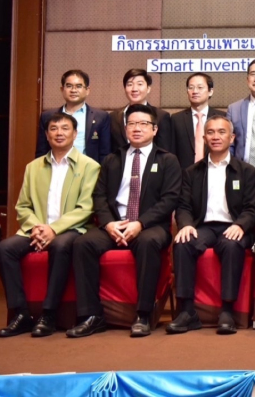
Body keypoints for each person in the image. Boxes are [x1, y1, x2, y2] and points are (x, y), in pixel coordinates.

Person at [67, 104, 182, 338]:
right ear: (125, 128)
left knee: (148, 243)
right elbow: (99, 196)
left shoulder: (167, 160)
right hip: (115, 224)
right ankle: (91, 316)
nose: (137, 128)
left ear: (155, 129)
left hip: (149, 226)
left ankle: (143, 314)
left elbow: (170, 199)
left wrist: (139, 223)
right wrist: (109, 224)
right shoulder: (112, 159)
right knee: (83, 244)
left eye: (143, 124)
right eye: (132, 124)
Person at [0, 113, 100, 337]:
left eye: (65, 128)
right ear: (46, 134)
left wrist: (54, 229)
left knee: (60, 245)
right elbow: (23, 206)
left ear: (75, 134)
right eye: (53, 129)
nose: (59, 133)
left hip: (72, 229)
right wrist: (38, 227)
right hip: (36, 228)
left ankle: (49, 314)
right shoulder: (33, 167)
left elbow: (86, 208)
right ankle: (20, 314)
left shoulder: (90, 166)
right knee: (4, 248)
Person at [168, 115, 255, 335]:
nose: (215, 137)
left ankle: (227, 311)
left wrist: (240, 225)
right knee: (183, 243)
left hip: (234, 226)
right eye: (210, 132)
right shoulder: (192, 172)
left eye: (221, 132)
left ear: (232, 138)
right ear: (204, 138)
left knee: (231, 245)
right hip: (204, 227)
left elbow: (252, 208)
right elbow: (183, 206)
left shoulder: (247, 171)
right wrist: (185, 225)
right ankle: (187, 311)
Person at [35, 70, 111, 163]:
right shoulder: (48, 116)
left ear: (87, 90)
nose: (73, 90)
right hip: (56, 167)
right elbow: (41, 152)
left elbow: (105, 153)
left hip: (88, 169)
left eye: (79, 86)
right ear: (62, 89)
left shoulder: (101, 117)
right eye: (69, 86)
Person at [109, 68, 173, 153]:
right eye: (130, 84)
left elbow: (164, 150)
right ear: (125, 89)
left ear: (148, 88)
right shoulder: (113, 117)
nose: (134, 89)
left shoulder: (161, 116)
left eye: (140, 84)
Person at [171, 73, 226, 170]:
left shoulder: (223, 117)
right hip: (184, 174)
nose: (195, 91)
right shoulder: (176, 119)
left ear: (210, 91)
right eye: (191, 88)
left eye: (200, 87)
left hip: (215, 171)